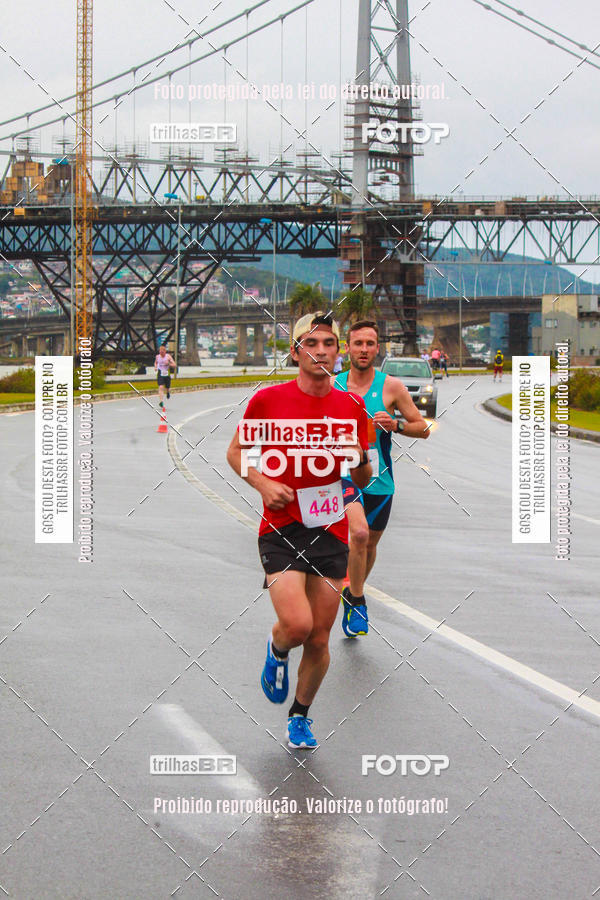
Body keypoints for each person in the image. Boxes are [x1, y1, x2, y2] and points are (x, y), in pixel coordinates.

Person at [227, 312, 371, 749]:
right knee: (296, 624)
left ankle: (300, 716)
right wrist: (263, 483)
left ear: (337, 351)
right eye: (312, 343)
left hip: (330, 529)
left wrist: (358, 456)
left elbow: (362, 480)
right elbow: (236, 453)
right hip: (281, 528)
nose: (322, 350)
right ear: (296, 353)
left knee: (321, 635)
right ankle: (276, 648)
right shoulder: (268, 401)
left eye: (329, 343)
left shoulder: (351, 407)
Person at [333, 320, 430, 638]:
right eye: (357, 343)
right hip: (343, 475)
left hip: (381, 480)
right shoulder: (334, 385)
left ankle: (351, 590)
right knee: (358, 536)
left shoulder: (392, 387)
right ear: (347, 347)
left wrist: (396, 425)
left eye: (370, 344)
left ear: (378, 348)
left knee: (369, 544)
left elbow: (423, 428)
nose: (363, 349)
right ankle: (358, 601)